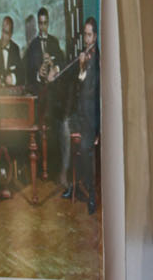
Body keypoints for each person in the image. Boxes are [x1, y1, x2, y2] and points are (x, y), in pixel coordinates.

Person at [52, 18, 100, 216]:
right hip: (79, 115)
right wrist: (58, 70)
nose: (86, 40)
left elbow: (91, 92)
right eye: (85, 35)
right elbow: (71, 74)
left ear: (95, 36)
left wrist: (83, 68)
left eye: (89, 35)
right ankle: (71, 183)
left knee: (84, 149)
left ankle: (91, 193)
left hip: (91, 119)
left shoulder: (97, 60)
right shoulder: (83, 57)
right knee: (63, 127)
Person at [25, 6, 63, 179]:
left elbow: (62, 63)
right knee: (40, 131)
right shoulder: (33, 46)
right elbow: (28, 73)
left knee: (54, 130)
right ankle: (41, 169)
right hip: (40, 96)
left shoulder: (54, 42)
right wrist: (38, 74)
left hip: (53, 96)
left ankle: (54, 169)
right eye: (40, 24)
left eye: (45, 23)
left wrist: (54, 67)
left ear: (48, 23)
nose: (43, 27)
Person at [0, 16, 21, 87]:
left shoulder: (15, 49)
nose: (3, 36)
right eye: (3, 31)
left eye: (6, 33)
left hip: (11, 91)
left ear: (11, 34)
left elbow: (20, 72)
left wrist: (13, 78)